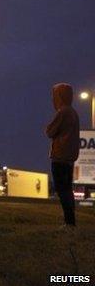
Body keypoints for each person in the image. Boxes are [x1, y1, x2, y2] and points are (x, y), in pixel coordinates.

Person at [45, 83, 79, 227]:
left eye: (55, 95)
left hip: (60, 156)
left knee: (62, 189)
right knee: (67, 189)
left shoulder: (63, 112)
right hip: (70, 158)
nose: (53, 99)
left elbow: (49, 131)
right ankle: (70, 220)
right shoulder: (73, 112)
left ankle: (69, 221)